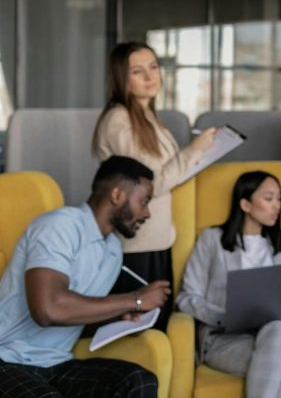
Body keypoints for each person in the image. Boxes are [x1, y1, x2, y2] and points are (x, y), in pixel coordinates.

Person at [0, 156, 172, 398]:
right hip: (6, 360)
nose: (147, 213)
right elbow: (47, 310)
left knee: (138, 381)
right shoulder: (59, 226)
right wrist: (135, 299)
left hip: (57, 364)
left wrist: (117, 318)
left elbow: (74, 312)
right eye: (143, 201)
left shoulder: (112, 250)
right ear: (117, 196)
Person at [92, 41, 217, 331]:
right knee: (143, 333)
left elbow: (164, 174)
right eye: (138, 71)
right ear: (122, 78)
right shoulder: (119, 119)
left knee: (159, 329)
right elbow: (146, 187)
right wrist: (194, 150)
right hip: (136, 245)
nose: (151, 77)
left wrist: (204, 152)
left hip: (158, 239)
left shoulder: (148, 118)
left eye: (153, 67)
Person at [176, 171, 281, 398]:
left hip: (280, 333)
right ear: (246, 204)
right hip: (226, 339)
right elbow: (186, 297)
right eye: (269, 198)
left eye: (279, 199)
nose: (276, 205)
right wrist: (224, 316)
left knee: (278, 327)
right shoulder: (211, 240)